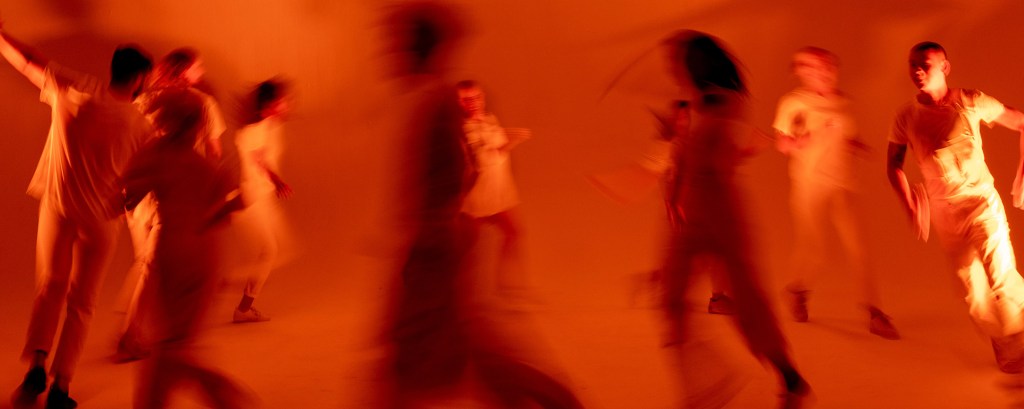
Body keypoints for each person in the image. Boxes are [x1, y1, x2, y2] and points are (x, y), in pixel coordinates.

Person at [380, 3, 584, 408]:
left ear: (418, 46)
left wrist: (430, 237)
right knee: (471, 353)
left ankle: (560, 401)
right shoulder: (434, 102)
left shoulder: (437, 104)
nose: (389, 51)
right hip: (438, 247)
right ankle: (558, 401)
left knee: (448, 354)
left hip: (435, 252)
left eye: (397, 41)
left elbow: (455, 176)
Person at [0, 23, 155, 408]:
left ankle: (36, 363)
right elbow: (143, 180)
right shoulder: (140, 124)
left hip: (59, 206)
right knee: (81, 303)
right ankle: (61, 386)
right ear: (137, 78)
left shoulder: (76, 89)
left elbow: (28, 62)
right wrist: (130, 201)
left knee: (48, 287)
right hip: (101, 219)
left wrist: (1, 35)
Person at [659, 30, 810, 407]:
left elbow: (717, 160)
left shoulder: (723, 102)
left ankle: (789, 376)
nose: (671, 68)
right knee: (670, 299)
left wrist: (691, 140)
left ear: (696, 63)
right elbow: (687, 161)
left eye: (677, 59)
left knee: (747, 301)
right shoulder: (691, 106)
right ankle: (704, 385)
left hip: (722, 209)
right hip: (693, 210)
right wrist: (676, 154)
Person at [886, 41, 1024, 373]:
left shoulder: (970, 101)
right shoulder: (906, 116)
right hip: (945, 214)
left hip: (981, 204)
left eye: (925, 64)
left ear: (945, 67)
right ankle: (1007, 341)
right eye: (912, 64)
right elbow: (893, 166)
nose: (917, 71)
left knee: (1001, 277)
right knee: (973, 293)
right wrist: (910, 206)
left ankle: (1018, 336)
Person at [774, 47, 899, 339]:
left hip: (845, 184)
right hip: (810, 185)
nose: (824, 73)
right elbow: (782, 143)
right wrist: (798, 142)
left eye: (829, 67)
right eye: (816, 68)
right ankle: (797, 289)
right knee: (815, 250)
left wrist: (860, 146)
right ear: (803, 73)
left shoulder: (844, 102)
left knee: (860, 248)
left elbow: (846, 135)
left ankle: (874, 311)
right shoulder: (793, 103)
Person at [114, 47, 227, 359]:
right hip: (176, 194)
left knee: (147, 264)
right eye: (197, 66)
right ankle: (136, 336)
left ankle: (135, 330)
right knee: (158, 266)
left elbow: (129, 144)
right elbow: (214, 152)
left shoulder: (143, 101)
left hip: (142, 191)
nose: (201, 71)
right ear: (183, 70)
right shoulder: (202, 103)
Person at [455, 79, 533, 299]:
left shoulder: (490, 120)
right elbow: (483, 158)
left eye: (477, 97)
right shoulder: (462, 129)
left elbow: (494, 140)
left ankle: (505, 284)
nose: (473, 103)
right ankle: (464, 293)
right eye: (466, 99)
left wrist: (507, 135)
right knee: (469, 247)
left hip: (498, 192)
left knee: (514, 233)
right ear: (459, 103)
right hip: (476, 197)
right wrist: (510, 142)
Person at [231, 79, 295, 323]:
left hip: (264, 197)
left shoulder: (271, 126)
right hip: (252, 198)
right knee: (270, 251)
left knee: (279, 251)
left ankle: (242, 305)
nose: (287, 104)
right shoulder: (253, 130)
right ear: (270, 104)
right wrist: (277, 180)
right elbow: (259, 159)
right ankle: (234, 291)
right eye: (283, 101)